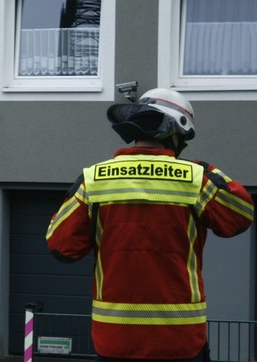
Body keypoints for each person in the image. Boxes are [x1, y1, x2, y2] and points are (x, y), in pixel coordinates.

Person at [46, 88, 254, 361]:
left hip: (115, 341)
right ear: (175, 133)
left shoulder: (94, 178)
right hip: (179, 341)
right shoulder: (195, 178)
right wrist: (207, 169)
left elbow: (61, 247)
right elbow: (240, 217)